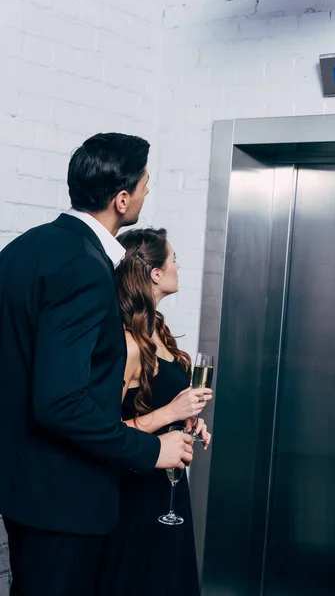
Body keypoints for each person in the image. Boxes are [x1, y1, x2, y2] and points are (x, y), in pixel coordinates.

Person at [0, 133, 196, 596]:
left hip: (21, 489)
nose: (147, 195)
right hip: (66, 500)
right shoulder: (84, 268)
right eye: (145, 186)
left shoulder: (20, 250)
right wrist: (153, 450)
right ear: (121, 199)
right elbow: (60, 403)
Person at [97, 228, 212, 596]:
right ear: (155, 273)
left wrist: (188, 420)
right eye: (173, 259)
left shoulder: (158, 332)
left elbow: (159, 406)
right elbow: (101, 431)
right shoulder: (127, 345)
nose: (179, 266)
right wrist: (170, 412)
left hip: (168, 490)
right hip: (137, 495)